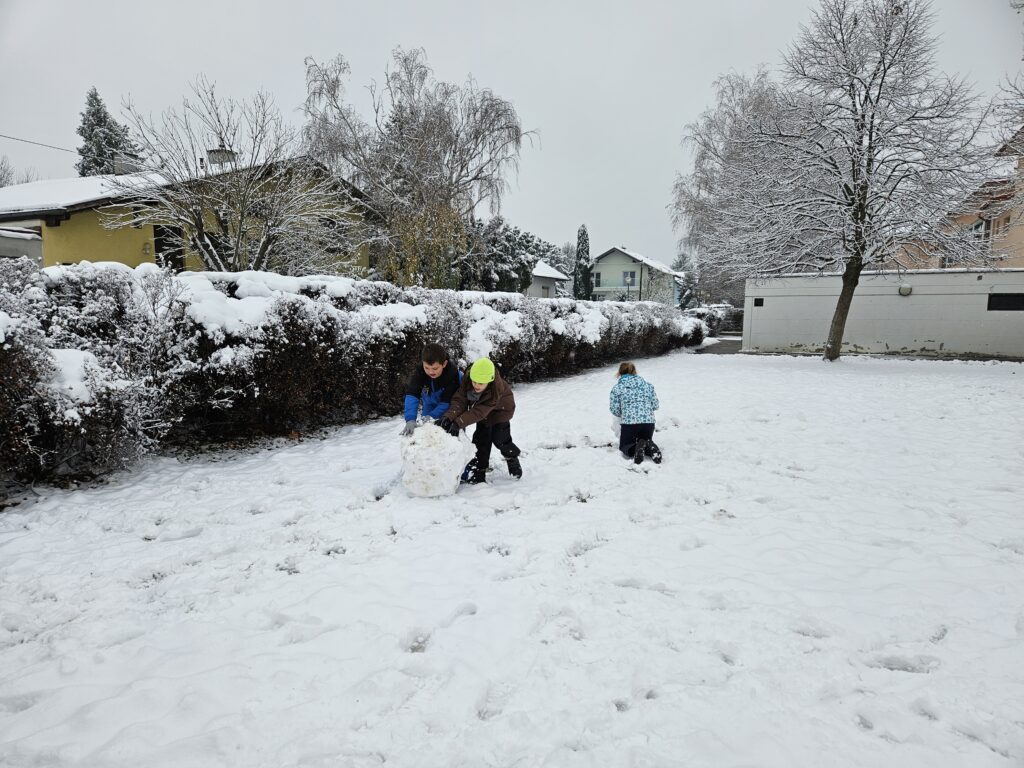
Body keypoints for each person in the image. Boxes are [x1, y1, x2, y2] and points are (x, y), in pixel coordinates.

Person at [438, 357, 522, 484]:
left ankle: (511, 457)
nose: (476, 385)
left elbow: (478, 411)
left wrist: (458, 423)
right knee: (481, 440)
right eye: (475, 381)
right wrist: (449, 416)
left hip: (501, 411)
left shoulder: (495, 389)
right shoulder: (468, 380)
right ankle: (479, 470)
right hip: (483, 412)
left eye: (481, 383)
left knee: (500, 439)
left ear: (490, 380)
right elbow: (459, 400)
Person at [400, 343, 461, 436]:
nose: (430, 372)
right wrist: (410, 419)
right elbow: (412, 394)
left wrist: (432, 416)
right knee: (425, 435)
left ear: (444, 364)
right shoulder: (419, 371)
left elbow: (447, 402)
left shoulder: (453, 375)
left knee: (449, 438)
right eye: (427, 368)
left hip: (450, 410)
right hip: (429, 405)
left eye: (435, 368)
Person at [609, 361, 662, 465]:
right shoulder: (648, 386)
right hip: (648, 423)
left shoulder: (617, 388)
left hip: (630, 424)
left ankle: (637, 448)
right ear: (634, 371)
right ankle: (649, 446)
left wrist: (624, 413)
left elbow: (615, 410)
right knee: (645, 441)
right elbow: (655, 405)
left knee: (625, 446)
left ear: (619, 373)